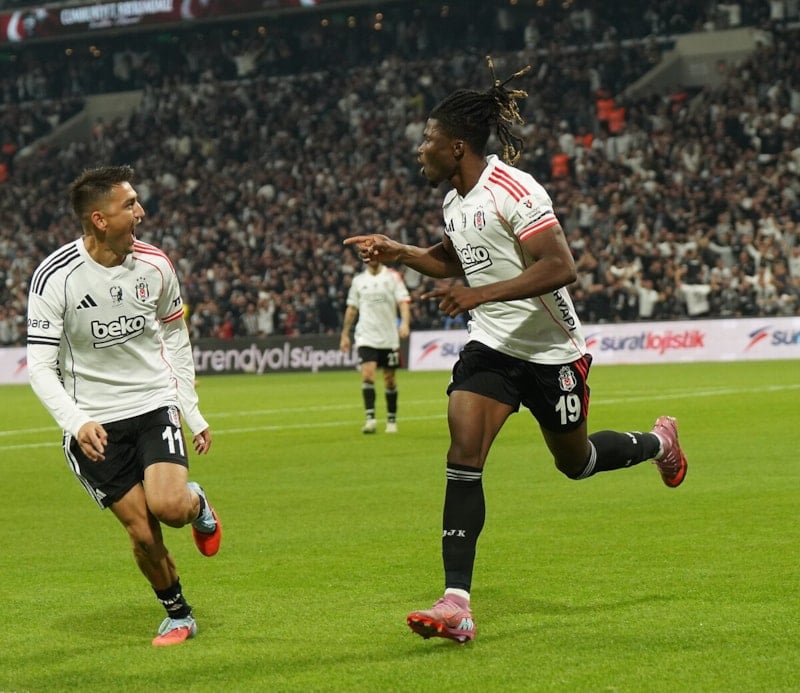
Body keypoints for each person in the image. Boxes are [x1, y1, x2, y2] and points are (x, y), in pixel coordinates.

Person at [344, 57, 688, 645]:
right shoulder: (455, 201)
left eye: (427, 139)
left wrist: (477, 293)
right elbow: (452, 259)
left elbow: (560, 266)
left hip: (552, 351)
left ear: (456, 146)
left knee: (576, 463)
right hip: (492, 346)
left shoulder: (515, 188)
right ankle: (456, 603)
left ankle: (660, 443)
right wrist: (399, 252)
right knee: (464, 452)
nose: (419, 149)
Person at [26, 165, 222, 647]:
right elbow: (39, 367)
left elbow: (176, 337)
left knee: (169, 507)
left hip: (153, 402)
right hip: (95, 422)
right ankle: (179, 614)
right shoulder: (55, 277)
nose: (141, 212)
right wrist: (76, 421)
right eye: (129, 205)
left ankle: (196, 503)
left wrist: (190, 409)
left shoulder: (156, 265)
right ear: (99, 219)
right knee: (143, 532)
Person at [339, 257, 411, 433]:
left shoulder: (392, 277)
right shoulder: (358, 281)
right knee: (367, 375)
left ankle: (391, 421)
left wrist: (405, 323)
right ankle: (370, 420)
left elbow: (403, 302)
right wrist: (345, 334)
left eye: (375, 255)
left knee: (389, 379)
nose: (372, 258)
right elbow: (351, 309)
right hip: (366, 336)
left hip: (388, 337)